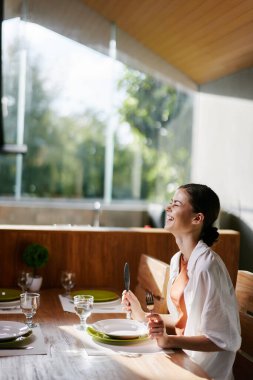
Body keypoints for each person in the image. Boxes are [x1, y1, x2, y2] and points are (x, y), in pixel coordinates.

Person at [122, 183, 241, 380]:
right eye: (170, 203)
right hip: (181, 358)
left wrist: (168, 341)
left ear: (197, 218)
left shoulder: (208, 267)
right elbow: (182, 320)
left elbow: (223, 339)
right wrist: (143, 315)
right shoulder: (178, 259)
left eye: (176, 204)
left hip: (203, 372)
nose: (168, 208)